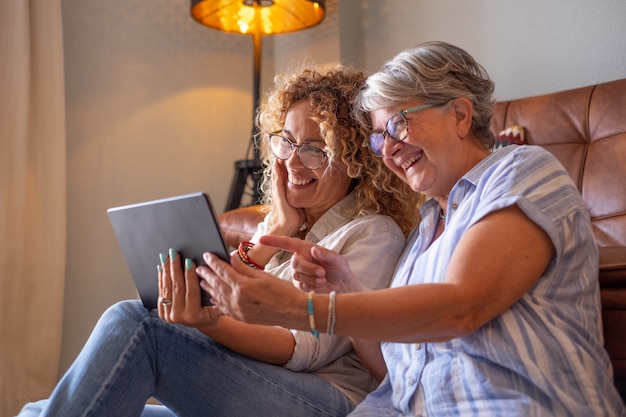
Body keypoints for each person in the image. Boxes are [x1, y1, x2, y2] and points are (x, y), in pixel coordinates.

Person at [198, 41, 626, 416]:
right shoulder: (422, 234)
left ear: (460, 115)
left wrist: (300, 309)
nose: (389, 150)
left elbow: (462, 306)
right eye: (380, 138)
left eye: (398, 124)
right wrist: (345, 292)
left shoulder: (522, 171)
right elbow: (394, 372)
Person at [17, 65, 423, 417]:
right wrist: (277, 229)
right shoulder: (287, 227)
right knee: (38, 411)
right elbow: (226, 290)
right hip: (254, 380)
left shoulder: (372, 232)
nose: (292, 161)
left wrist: (209, 324)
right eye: (287, 141)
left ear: (354, 161)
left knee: (136, 323)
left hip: (322, 401)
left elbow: (302, 349)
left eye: (315, 149)